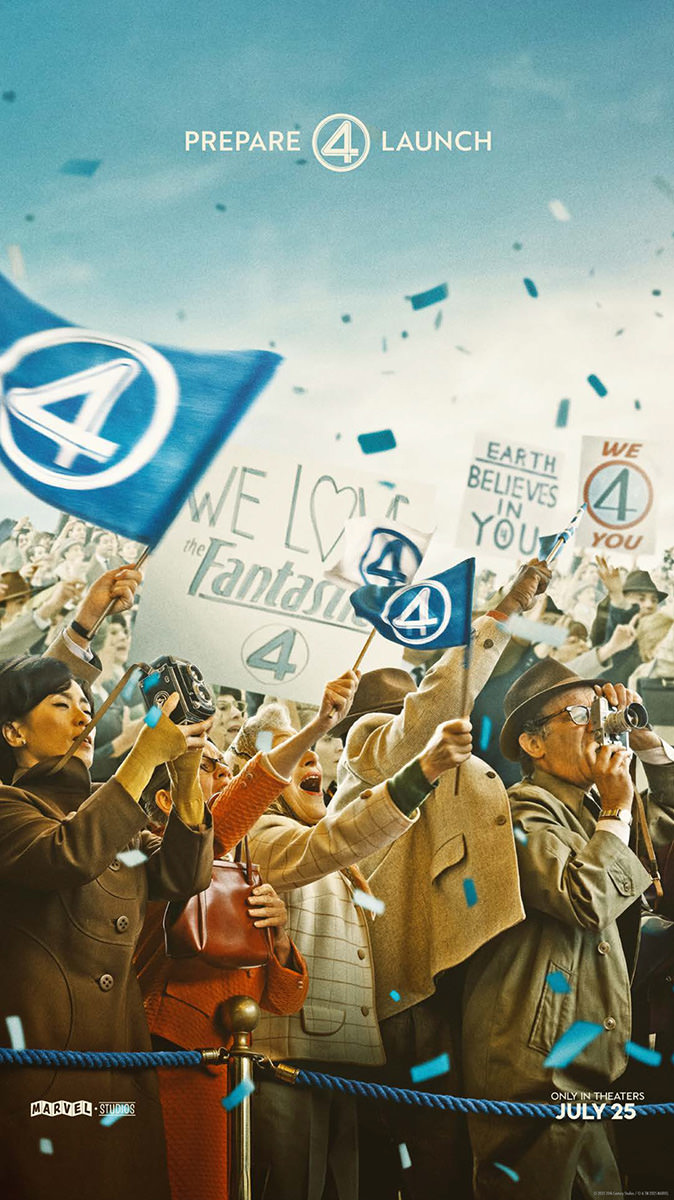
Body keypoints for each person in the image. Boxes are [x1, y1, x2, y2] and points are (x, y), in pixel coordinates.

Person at [328, 558, 550, 1199]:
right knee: (424, 1153)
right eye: (405, 708)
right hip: (403, 994)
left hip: (422, 985)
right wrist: (500, 616)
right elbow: (424, 718)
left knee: (422, 1148)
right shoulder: (375, 748)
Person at [136, 673, 360, 1200]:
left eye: (224, 766)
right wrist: (317, 727)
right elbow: (243, 801)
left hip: (235, 1061)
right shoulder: (151, 856)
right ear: (168, 800)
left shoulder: (240, 867)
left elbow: (283, 998)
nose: (226, 774)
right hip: (176, 1055)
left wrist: (279, 938)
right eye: (209, 767)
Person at [0, 658, 215, 1200]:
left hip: (119, 1068)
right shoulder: (9, 805)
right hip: (37, 1071)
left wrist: (185, 773)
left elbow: (185, 874)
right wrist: (144, 755)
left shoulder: (114, 815)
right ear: (13, 730)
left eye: (88, 705)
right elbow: (66, 854)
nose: (84, 717)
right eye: (62, 703)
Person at [462, 659, 674, 1199]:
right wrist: (619, 809)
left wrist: (644, 733)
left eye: (601, 711)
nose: (599, 725)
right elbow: (584, 898)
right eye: (580, 714)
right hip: (534, 1068)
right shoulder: (515, 810)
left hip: (583, 1066)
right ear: (533, 744)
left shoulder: (594, 810)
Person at [244, 707, 476, 1200]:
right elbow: (332, 843)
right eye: (291, 757)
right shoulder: (257, 833)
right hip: (286, 1060)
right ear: (255, 774)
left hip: (338, 1061)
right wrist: (424, 770)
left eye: (313, 754)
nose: (312, 765)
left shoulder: (308, 833)